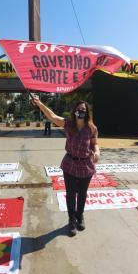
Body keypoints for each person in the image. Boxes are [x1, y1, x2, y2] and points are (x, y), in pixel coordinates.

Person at [32, 97, 100, 237]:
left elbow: (94, 143)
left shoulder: (91, 128)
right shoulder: (68, 124)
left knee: (82, 194)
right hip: (70, 164)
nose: (80, 111)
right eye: (78, 109)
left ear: (87, 112)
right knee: (70, 194)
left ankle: (79, 216)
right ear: (74, 111)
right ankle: (71, 221)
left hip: (86, 165)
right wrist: (40, 103)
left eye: (83, 110)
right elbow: (52, 116)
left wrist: (97, 151)